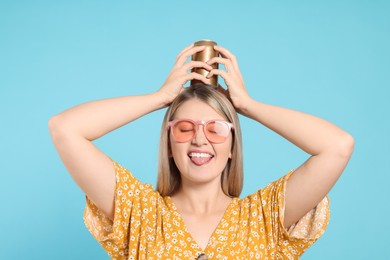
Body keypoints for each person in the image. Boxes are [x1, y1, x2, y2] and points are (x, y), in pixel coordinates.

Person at [48, 43, 354, 259]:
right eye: (184, 128)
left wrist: (248, 105)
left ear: (233, 145)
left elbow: (337, 146)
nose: (199, 139)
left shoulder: (265, 217)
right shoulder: (138, 213)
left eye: (216, 128)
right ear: (169, 143)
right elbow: (65, 128)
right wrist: (160, 98)